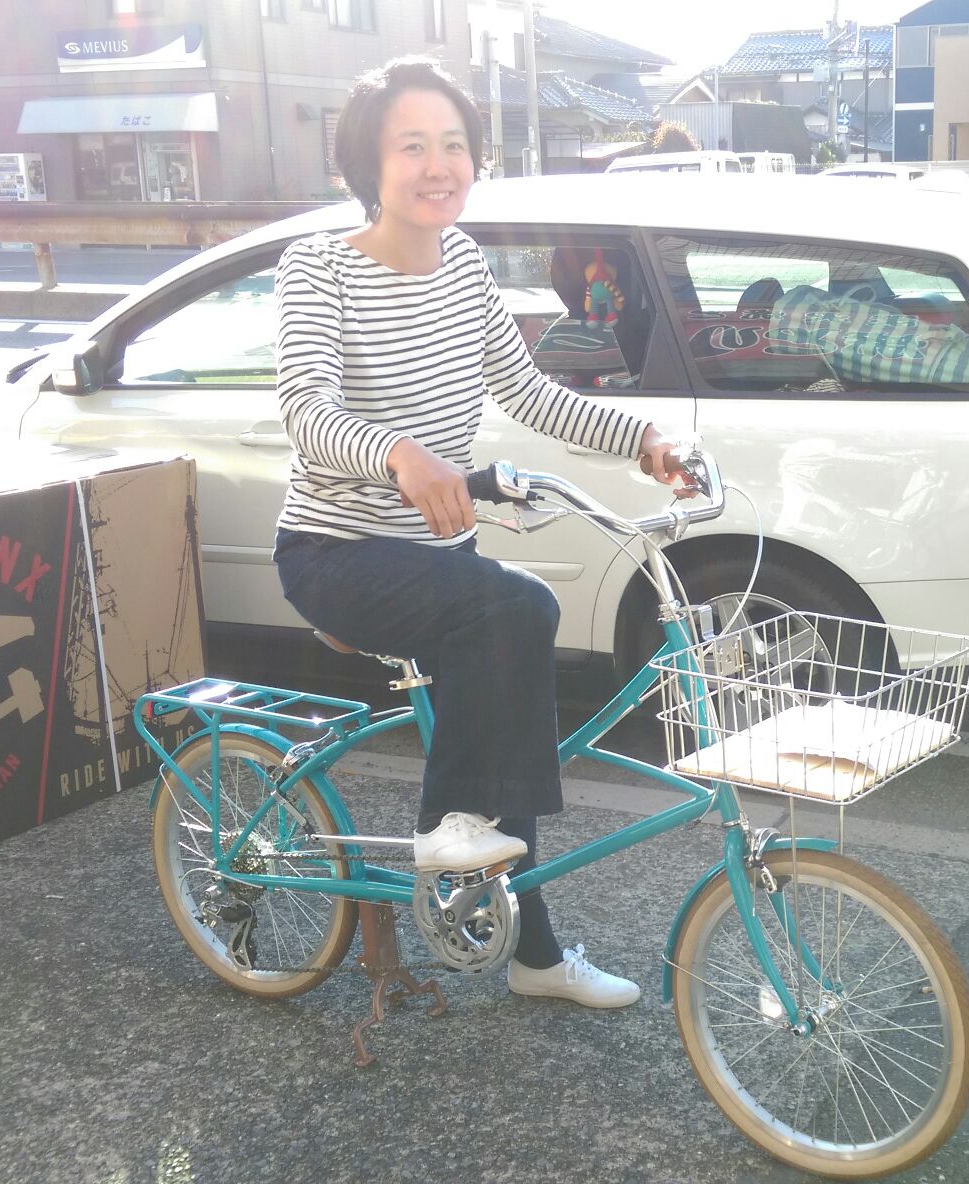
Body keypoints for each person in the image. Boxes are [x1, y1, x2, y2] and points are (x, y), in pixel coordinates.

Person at [271, 59, 687, 1009]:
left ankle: (532, 954)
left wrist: (644, 440)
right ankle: (443, 827)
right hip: (335, 554)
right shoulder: (319, 267)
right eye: (411, 146)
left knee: (506, 693)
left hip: (435, 558)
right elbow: (304, 408)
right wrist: (399, 456)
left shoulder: (462, 264)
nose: (438, 165)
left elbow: (528, 391)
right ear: (368, 164)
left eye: (453, 145)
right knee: (519, 608)